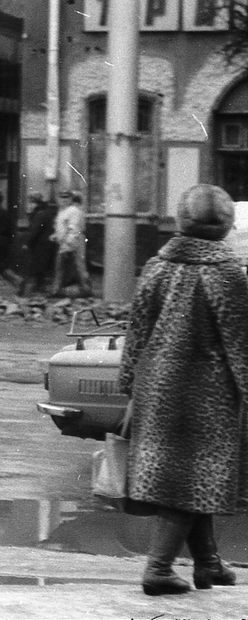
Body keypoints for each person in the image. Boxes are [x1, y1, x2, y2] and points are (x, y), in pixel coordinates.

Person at [118, 183, 248, 596]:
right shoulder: (228, 274)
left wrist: (129, 387)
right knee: (194, 478)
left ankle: (208, 564)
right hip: (208, 394)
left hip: (157, 386)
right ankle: (157, 569)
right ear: (226, 227)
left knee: (185, 477)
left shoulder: (157, 268)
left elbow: (136, 332)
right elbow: (240, 341)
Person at [50, 190, 92, 296]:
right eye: (62, 197)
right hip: (64, 243)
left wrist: (69, 244)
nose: (64, 200)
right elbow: (62, 227)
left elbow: (74, 228)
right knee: (66, 268)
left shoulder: (73, 211)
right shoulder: (63, 211)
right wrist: (56, 236)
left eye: (66, 198)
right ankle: (58, 290)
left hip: (71, 245)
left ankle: (84, 289)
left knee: (73, 267)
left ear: (70, 199)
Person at [18, 192, 57, 296]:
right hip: (44, 246)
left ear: (34, 202)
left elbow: (35, 230)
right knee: (39, 272)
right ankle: (38, 291)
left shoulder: (39, 214)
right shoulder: (45, 212)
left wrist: (27, 243)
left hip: (38, 247)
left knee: (31, 272)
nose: (28, 205)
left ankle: (26, 294)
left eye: (30, 202)